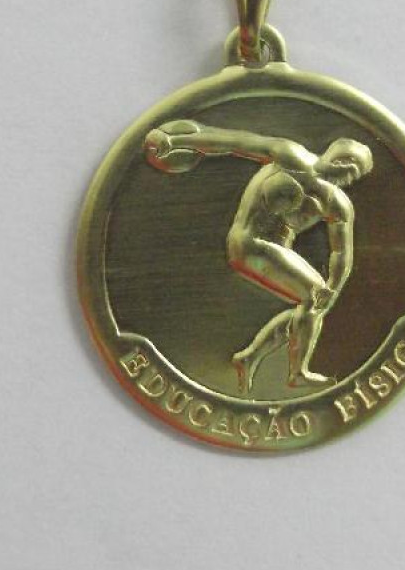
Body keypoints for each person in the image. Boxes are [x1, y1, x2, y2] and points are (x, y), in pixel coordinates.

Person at [143, 121, 373, 393]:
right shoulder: (292, 156)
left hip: (275, 247)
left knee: (313, 304)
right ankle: (296, 373)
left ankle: (250, 357)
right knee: (312, 297)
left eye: (357, 175)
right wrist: (176, 142)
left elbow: (341, 252)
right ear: (338, 159)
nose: (350, 177)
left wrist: (333, 287)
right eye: (352, 167)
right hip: (249, 242)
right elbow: (234, 142)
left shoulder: (337, 204)